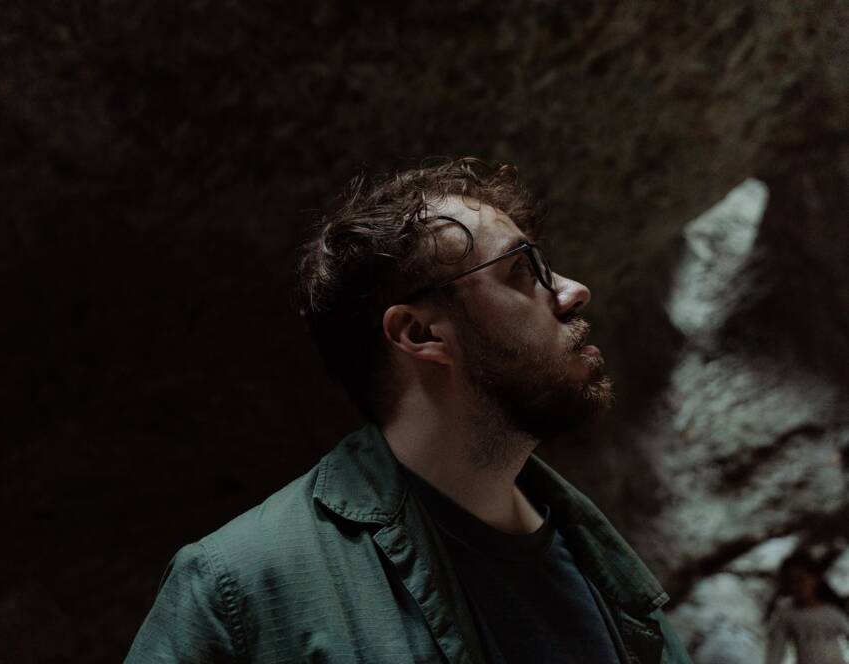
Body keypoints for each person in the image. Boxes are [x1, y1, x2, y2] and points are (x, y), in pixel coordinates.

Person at [126, 157, 692, 663]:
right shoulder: (242, 589)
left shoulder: (604, 572)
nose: (572, 290)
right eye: (521, 271)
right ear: (420, 333)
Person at [765, 551, 849, 664]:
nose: (796, 587)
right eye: (791, 582)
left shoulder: (831, 612)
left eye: (801, 580)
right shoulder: (786, 614)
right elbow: (775, 650)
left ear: (815, 579)